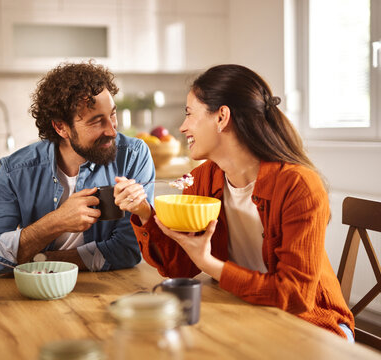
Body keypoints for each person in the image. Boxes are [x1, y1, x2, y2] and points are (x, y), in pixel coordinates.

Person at [114, 64, 355, 340]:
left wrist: (209, 264)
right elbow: (180, 268)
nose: (182, 127)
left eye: (189, 114)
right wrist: (143, 211)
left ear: (221, 117)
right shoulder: (202, 179)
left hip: (311, 324)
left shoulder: (298, 185)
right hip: (247, 311)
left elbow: (296, 295)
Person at [0, 61, 155, 277]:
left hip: (105, 287)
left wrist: (41, 261)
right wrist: (56, 222)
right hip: (34, 291)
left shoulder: (132, 156)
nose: (112, 131)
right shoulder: (16, 171)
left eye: (113, 115)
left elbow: (128, 249)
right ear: (61, 127)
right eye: (97, 122)